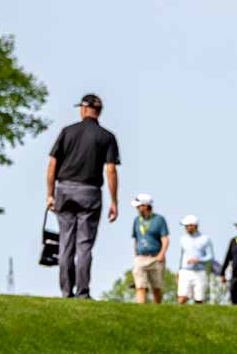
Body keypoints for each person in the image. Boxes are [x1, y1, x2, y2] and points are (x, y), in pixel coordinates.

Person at [44, 93, 120, 298]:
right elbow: (111, 170)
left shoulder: (67, 132)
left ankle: (66, 291)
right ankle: (83, 292)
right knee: (84, 244)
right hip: (90, 192)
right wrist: (114, 201)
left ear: (84, 109)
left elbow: (52, 165)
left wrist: (49, 195)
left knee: (66, 242)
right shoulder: (107, 137)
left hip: (64, 190)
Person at [129, 194, 170, 304]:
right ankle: (141, 310)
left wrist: (162, 254)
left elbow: (165, 239)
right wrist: (136, 255)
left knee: (156, 288)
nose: (137, 209)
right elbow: (136, 239)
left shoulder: (159, 220)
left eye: (139, 206)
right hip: (141, 258)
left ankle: (158, 310)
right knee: (140, 286)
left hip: (156, 258)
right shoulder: (137, 220)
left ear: (146, 206)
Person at [177, 215, 215, 305]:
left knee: (199, 299)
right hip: (185, 271)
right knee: (182, 297)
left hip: (200, 272)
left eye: (187, 226)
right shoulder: (183, 239)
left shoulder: (205, 239)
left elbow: (210, 256)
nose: (186, 228)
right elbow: (181, 256)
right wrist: (178, 271)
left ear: (193, 226)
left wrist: (199, 260)